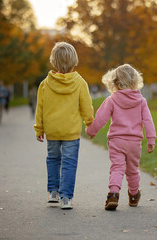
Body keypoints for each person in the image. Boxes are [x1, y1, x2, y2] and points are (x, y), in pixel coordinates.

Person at [86, 64, 156, 211]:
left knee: (117, 168)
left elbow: (100, 118)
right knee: (132, 170)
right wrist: (151, 139)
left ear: (115, 83)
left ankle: (113, 194)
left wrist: (91, 131)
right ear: (135, 82)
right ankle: (134, 195)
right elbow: (148, 121)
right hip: (134, 143)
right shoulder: (141, 101)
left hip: (117, 141)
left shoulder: (112, 100)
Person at [34, 42, 94, 209]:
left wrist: (39, 128)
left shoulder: (45, 83)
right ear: (74, 61)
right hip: (71, 131)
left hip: (52, 130)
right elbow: (86, 106)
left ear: (53, 61)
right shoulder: (80, 82)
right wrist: (89, 123)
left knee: (53, 159)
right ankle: (66, 197)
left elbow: (40, 107)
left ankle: (53, 191)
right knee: (69, 162)